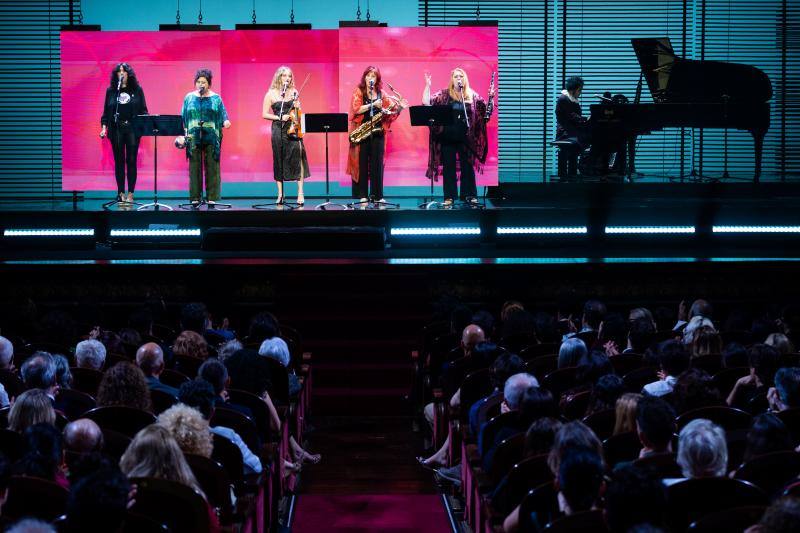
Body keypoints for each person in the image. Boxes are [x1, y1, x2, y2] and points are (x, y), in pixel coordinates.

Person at [424, 68, 492, 206]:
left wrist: (491, 97)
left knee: (468, 166)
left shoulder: (471, 95)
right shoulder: (444, 94)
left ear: (465, 79)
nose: (459, 78)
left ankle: (470, 195)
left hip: (466, 138)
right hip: (448, 137)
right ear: (452, 79)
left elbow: (486, 113)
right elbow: (427, 102)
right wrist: (428, 85)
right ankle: (449, 197)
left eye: (461, 76)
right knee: (449, 167)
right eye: (456, 76)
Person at [347, 66, 407, 204]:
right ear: (365, 78)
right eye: (368, 76)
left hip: (378, 132)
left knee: (377, 165)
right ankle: (362, 194)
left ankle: (377, 195)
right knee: (361, 163)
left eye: (373, 76)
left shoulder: (382, 93)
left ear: (377, 79)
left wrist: (400, 108)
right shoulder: (359, 91)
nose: (370, 79)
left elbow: (391, 113)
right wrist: (373, 105)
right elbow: (355, 109)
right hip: (362, 132)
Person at [177, 68, 231, 207]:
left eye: (204, 82)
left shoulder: (216, 98)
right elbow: (182, 117)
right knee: (194, 167)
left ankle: (211, 197)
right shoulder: (189, 97)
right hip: (193, 136)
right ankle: (195, 197)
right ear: (195, 83)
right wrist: (182, 135)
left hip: (211, 135)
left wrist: (225, 121)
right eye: (199, 82)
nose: (201, 84)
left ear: (209, 84)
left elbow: (223, 114)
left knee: (212, 166)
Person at [100, 63, 148, 203]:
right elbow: (106, 113)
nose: (121, 73)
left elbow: (144, 110)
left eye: (124, 71)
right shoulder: (111, 91)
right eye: (119, 71)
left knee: (131, 161)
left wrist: (144, 125)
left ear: (129, 74)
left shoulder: (137, 90)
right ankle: (120, 192)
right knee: (119, 161)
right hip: (116, 129)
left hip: (132, 129)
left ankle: (131, 193)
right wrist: (104, 128)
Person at [262, 66, 309, 205]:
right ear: (279, 77)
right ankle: (280, 194)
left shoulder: (294, 92)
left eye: (289, 76)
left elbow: (299, 112)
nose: (287, 78)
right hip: (278, 129)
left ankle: (300, 193)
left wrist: (297, 106)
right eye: (284, 76)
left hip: (293, 128)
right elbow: (264, 114)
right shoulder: (270, 94)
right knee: (279, 159)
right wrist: (279, 117)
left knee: (298, 157)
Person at [554, 76, 588, 180]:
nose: (580, 92)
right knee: (583, 140)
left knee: (584, 139)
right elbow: (572, 115)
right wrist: (586, 119)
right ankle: (571, 173)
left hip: (571, 131)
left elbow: (575, 116)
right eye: (580, 90)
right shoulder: (563, 99)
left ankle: (573, 173)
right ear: (574, 89)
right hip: (565, 133)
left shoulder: (572, 99)